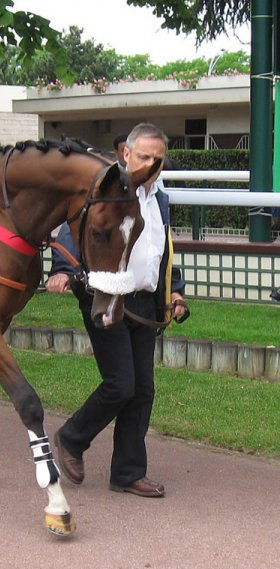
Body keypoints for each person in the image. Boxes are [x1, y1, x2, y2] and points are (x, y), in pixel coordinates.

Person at [49, 123, 186, 498]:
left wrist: (175, 291)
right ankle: (72, 438)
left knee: (142, 391)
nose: (151, 164)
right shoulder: (106, 188)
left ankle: (127, 473)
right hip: (106, 295)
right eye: (144, 156)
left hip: (146, 302)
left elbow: (163, 247)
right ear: (125, 154)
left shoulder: (159, 197)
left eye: (158, 159)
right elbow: (77, 230)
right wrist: (62, 271)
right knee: (120, 384)